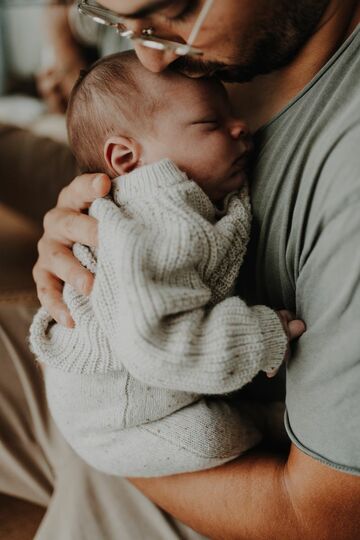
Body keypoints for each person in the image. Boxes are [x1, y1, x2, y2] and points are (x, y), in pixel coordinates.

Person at [2, 0, 360, 538]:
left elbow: (319, 517)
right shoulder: (182, 49)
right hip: (95, 368)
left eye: (175, 9)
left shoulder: (346, 167)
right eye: (112, 20)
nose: (147, 54)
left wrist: (98, 438)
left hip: (207, 455)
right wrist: (83, 217)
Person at [30, 51, 305, 478]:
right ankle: (265, 423)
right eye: (209, 124)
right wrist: (262, 334)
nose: (241, 127)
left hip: (107, 390)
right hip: (117, 419)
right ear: (125, 159)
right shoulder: (158, 222)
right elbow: (157, 346)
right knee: (211, 435)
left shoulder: (184, 195)